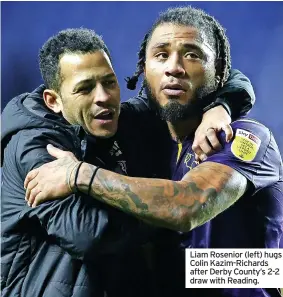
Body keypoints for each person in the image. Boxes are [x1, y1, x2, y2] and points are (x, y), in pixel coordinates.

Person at [25, 6, 283, 297]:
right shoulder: (136, 132)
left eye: (192, 55)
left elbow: (188, 206)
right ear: (143, 69)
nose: (174, 67)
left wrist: (81, 174)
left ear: (219, 69)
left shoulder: (243, 137)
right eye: (161, 55)